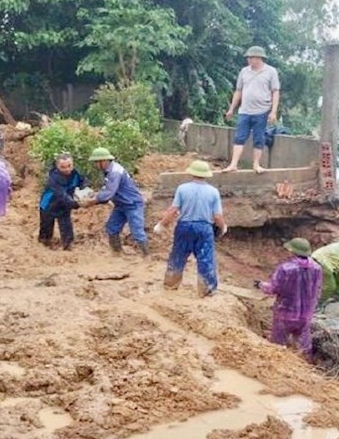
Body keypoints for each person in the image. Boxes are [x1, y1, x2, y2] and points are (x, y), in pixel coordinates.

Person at [153, 160, 227, 297]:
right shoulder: (213, 192)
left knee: (178, 256)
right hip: (204, 228)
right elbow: (217, 216)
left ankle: (170, 285)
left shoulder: (182, 188)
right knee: (206, 259)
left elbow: (173, 210)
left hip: (184, 226)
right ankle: (207, 290)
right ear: (206, 175)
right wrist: (223, 228)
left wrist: (161, 225)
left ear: (192, 173)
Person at [257, 238, 324, 361]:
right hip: (306, 314)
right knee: (303, 346)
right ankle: (305, 366)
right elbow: (318, 289)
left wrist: (260, 285)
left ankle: (278, 365)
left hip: (285, 312)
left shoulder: (285, 268)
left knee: (278, 344)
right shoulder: (317, 268)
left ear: (292, 251)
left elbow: (274, 288)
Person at [222, 45, 281, 174]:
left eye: (251, 57)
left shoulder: (271, 72)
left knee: (259, 138)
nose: (249, 60)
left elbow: (275, 92)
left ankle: (256, 164)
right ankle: (233, 164)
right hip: (245, 110)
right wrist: (231, 109)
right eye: (248, 58)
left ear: (259, 58)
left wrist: (273, 112)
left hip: (262, 110)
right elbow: (238, 91)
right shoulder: (244, 71)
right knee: (239, 137)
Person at [82, 147, 148, 256]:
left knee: (137, 232)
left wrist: (93, 201)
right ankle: (117, 253)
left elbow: (109, 193)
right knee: (111, 228)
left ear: (103, 161)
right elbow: (107, 189)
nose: (95, 165)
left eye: (96, 162)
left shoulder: (115, 172)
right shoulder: (109, 171)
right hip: (121, 204)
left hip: (132, 204)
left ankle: (146, 255)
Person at [38, 152, 86, 250]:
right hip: (49, 205)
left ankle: (68, 246)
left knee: (66, 225)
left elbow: (83, 182)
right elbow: (61, 194)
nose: (67, 169)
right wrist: (75, 204)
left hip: (65, 206)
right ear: (57, 166)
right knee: (46, 227)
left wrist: (84, 191)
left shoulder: (76, 174)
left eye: (69, 166)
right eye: (63, 167)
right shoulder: (53, 177)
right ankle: (44, 245)